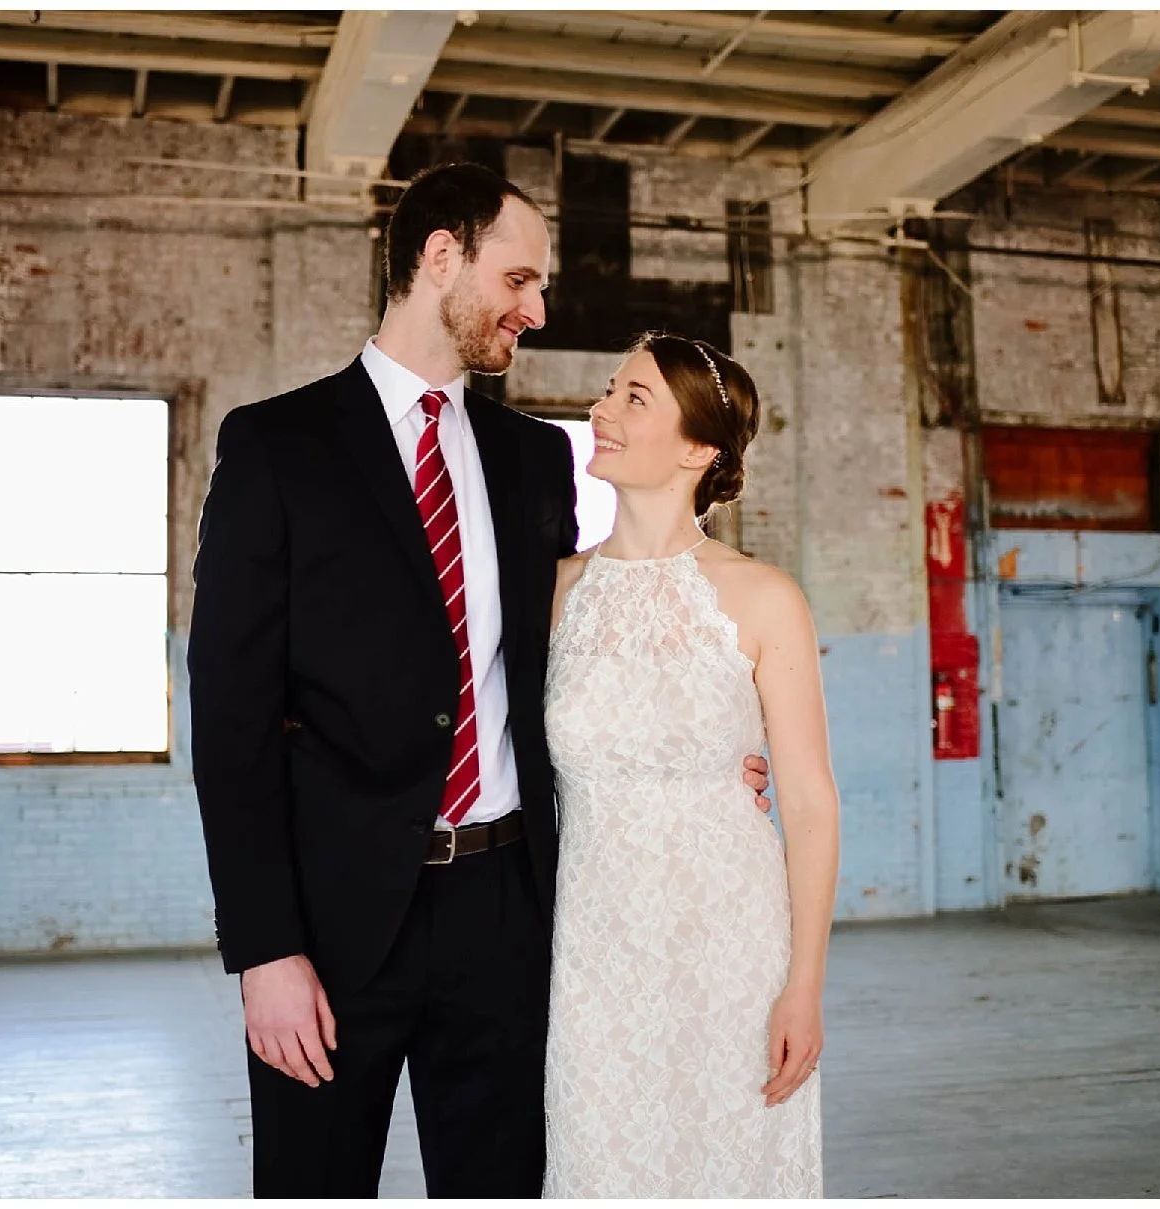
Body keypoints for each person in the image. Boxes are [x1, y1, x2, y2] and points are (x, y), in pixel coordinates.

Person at [186, 164, 770, 1198]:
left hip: (506, 909)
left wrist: (711, 750)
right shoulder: (277, 447)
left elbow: (578, 642)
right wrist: (265, 951)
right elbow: (230, 719)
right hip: (333, 924)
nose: (536, 310)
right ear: (442, 256)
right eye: (521, 279)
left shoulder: (531, 460)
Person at [542, 333, 840, 1198]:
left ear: (698, 448)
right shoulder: (554, 591)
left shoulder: (763, 596)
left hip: (734, 955)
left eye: (633, 397)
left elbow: (812, 804)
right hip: (595, 955)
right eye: (607, 391)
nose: (600, 409)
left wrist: (804, 987)